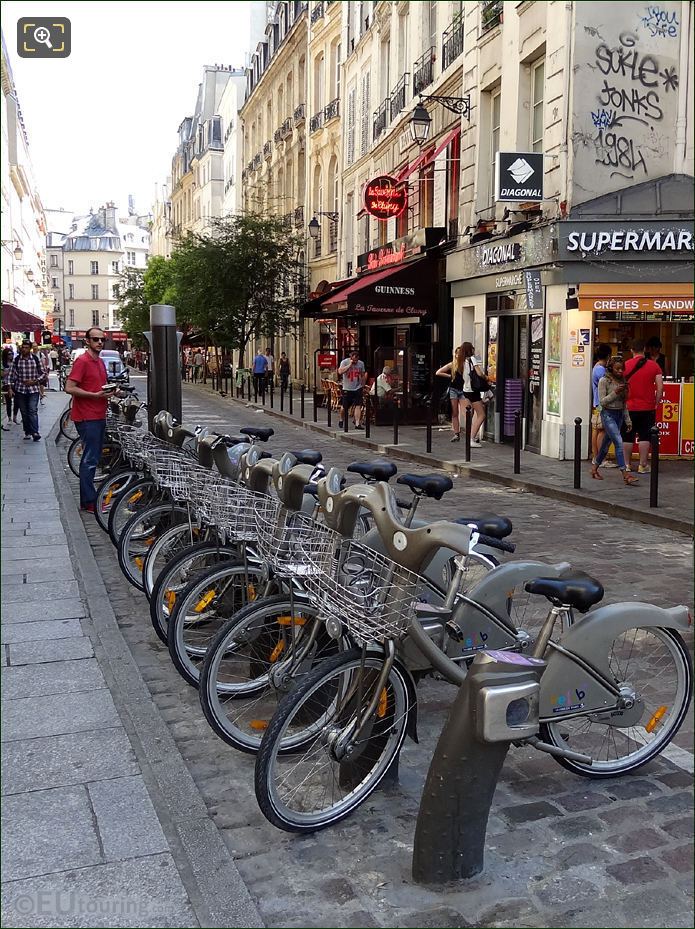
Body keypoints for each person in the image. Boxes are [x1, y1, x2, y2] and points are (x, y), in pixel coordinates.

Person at [65, 327, 113, 512]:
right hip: (87, 416)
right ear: (87, 341)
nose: (100, 342)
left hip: (98, 415)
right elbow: (69, 387)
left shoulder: (99, 362)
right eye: (95, 339)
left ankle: (89, 499)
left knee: (93, 457)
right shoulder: (83, 361)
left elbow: (100, 387)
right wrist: (93, 396)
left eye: (102, 339)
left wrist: (112, 391)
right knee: (90, 459)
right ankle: (89, 501)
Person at [591, 357, 639, 486]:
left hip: (619, 414)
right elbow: (602, 401)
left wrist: (627, 420)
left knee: (606, 445)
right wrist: (615, 392)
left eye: (621, 369)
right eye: (617, 369)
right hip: (608, 414)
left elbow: (624, 403)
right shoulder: (604, 381)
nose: (620, 371)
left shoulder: (622, 380)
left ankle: (594, 468)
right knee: (618, 442)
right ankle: (625, 474)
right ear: (611, 368)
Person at [623, 339, 663, 474]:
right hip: (647, 407)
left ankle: (627, 465)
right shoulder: (654, 366)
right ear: (645, 349)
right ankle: (643, 465)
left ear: (632, 350)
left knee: (627, 436)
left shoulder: (625, 365)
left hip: (628, 407)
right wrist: (656, 402)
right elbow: (660, 387)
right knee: (645, 436)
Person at [435, 343, 486, 445]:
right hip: (459, 389)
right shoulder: (456, 364)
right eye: (456, 353)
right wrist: (450, 376)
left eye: (459, 353)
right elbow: (438, 372)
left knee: (467, 413)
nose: (458, 355)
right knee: (456, 412)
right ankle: (459, 434)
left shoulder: (465, 363)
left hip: (464, 390)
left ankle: (470, 435)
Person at [10, 341, 48, 440]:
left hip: (33, 389)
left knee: (32, 410)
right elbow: (12, 374)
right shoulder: (17, 359)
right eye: (23, 347)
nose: (24, 349)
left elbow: (43, 373)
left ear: (30, 348)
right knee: (24, 411)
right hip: (20, 389)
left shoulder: (35, 359)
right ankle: (27, 431)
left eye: (26, 347)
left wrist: (35, 381)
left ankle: (35, 432)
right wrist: (10, 386)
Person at [591, 343, 616, 468]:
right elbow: (607, 385)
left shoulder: (596, 367)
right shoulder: (601, 370)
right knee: (602, 430)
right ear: (608, 355)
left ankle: (596, 458)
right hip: (602, 403)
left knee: (597, 429)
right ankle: (601, 459)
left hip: (597, 402)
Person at [338, 350, 366, 429]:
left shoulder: (361, 364)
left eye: (356, 360)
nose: (355, 362)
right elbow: (340, 371)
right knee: (344, 407)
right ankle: (341, 419)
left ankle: (357, 423)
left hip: (357, 388)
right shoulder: (344, 362)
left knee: (358, 405)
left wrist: (362, 384)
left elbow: (363, 374)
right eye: (354, 360)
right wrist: (349, 365)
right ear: (350, 358)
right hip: (347, 388)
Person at [2, 346, 19, 428]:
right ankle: (9, 418)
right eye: (9, 354)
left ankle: (15, 417)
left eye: (12, 354)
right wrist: (9, 371)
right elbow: (2, 375)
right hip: (6, 384)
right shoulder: (3, 364)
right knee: (8, 402)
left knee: (17, 401)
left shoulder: (15, 363)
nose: (11, 355)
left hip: (15, 383)